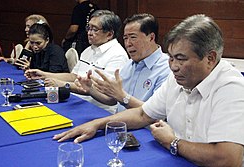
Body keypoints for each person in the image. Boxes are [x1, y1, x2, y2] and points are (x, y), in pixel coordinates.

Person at [53, 14, 244, 167]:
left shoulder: (230, 86)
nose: (173, 66)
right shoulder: (176, 79)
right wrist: (97, 124)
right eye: (171, 58)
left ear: (210, 58)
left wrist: (172, 142)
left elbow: (227, 159)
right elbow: (144, 114)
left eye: (181, 59)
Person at [25, 10, 129, 112]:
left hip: (99, 110)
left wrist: (63, 84)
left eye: (95, 29)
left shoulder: (117, 56)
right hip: (77, 101)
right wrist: (43, 75)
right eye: (89, 28)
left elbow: (108, 96)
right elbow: (74, 76)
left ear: (109, 34)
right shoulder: (89, 50)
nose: (89, 33)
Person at [77, 13, 170, 113]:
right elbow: (113, 100)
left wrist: (123, 97)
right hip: (120, 123)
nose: (128, 44)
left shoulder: (166, 68)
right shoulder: (129, 65)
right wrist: (90, 90)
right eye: (125, 38)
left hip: (145, 128)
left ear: (151, 37)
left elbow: (156, 112)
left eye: (133, 37)